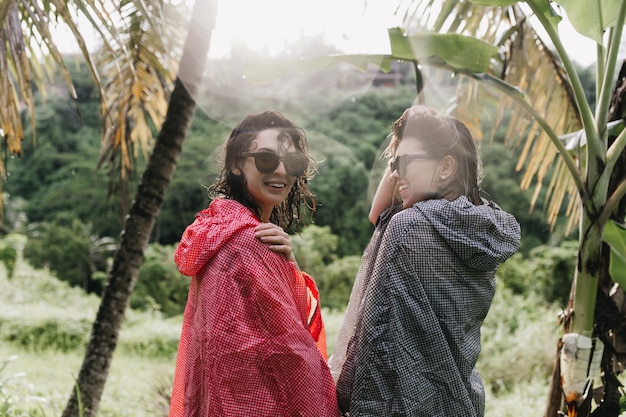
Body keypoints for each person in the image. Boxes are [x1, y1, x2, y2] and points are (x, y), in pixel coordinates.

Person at [329, 105, 521, 417]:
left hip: (403, 403)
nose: (394, 174)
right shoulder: (482, 223)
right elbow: (379, 215)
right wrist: (409, 143)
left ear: (446, 167)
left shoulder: (410, 226)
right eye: (393, 163)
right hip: (458, 397)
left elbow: (377, 335)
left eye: (404, 162)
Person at [168, 110, 341, 417]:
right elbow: (292, 348)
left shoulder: (219, 229)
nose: (281, 171)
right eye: (266, 160)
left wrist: (288, 263)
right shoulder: (249, 241)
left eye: (293, 163)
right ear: (237, 164)